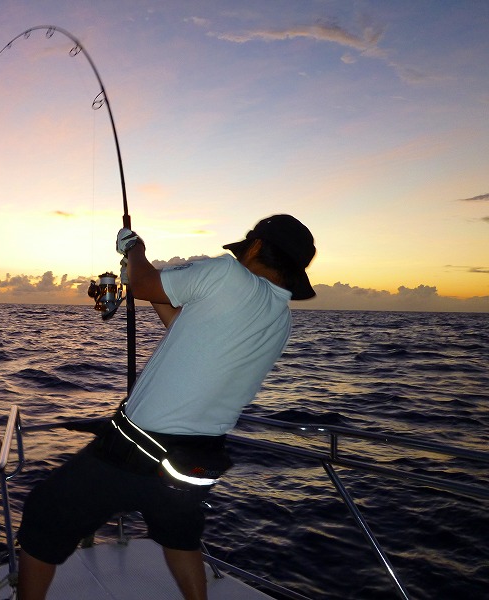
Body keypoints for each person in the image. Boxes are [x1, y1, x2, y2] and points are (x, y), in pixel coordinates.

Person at [16, 214, 316, 600]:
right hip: (197, 459)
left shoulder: (228, 275)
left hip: (138, 449)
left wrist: (135, 250)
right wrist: (146, 277)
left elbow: (142, 284)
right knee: (180, 538)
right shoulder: (280, 317)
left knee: (45, 514)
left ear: (256, 246)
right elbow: (183, 326)